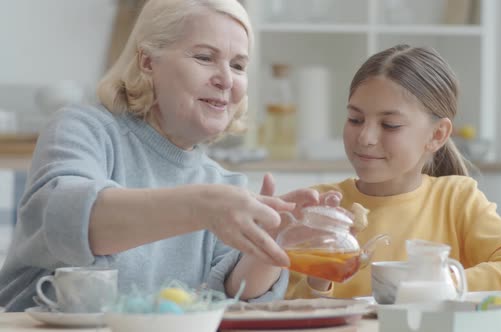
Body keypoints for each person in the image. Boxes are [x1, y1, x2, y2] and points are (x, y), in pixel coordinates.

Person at [0, 0, 321, 312]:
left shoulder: (225, 185)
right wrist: (203, 207)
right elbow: (67, 222)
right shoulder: (85, 129)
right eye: (205, 57)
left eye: (238, 65)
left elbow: (231, 297)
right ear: (147, 62)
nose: (226, 79)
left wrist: (269, 247)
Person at [286, 44, 501, 299]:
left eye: (390, 125)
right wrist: (319, 276)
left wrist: (433, 282)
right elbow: (280, 307)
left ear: (437, 135)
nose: (365, 137)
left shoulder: (456, 200)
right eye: (355, 119)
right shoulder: (319, 206)